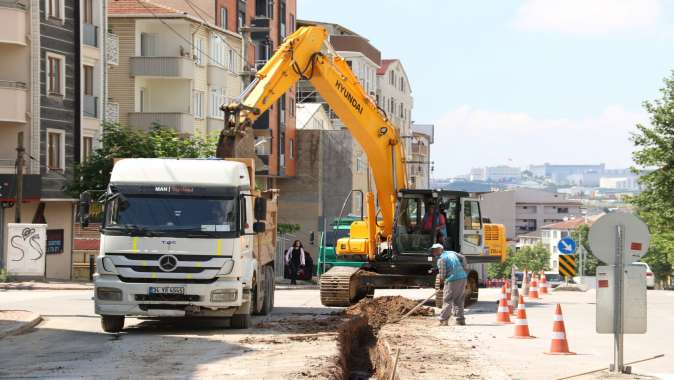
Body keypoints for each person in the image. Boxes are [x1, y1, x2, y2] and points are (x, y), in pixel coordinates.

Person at [432, 243, 468, 326]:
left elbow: (442, 275)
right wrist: (464, 269)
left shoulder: (441, 259)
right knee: (459, 299)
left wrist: (441, 285)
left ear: (440, 250)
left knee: (447, 300)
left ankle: (443, 320)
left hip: (452, 279)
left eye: (435, 250)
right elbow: (463, 257)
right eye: (433, 250)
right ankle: (460, 320)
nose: (434, 252)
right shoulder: (451, 253)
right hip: (463, 278)